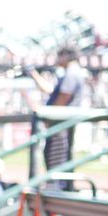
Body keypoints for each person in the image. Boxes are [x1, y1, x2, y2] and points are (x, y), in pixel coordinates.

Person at [30, 46, 86, 188]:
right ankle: (56, 186)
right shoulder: (69, 73)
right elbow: (51, 90)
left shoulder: (72, 72)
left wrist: (50, 116)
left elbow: (63, 96)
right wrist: (33, 74)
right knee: (55, 157)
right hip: (61, 123)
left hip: (61, 123)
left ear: (67, 56)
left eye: (60, 55)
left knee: (55, 158)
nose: (57, 59)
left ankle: (56, 189)